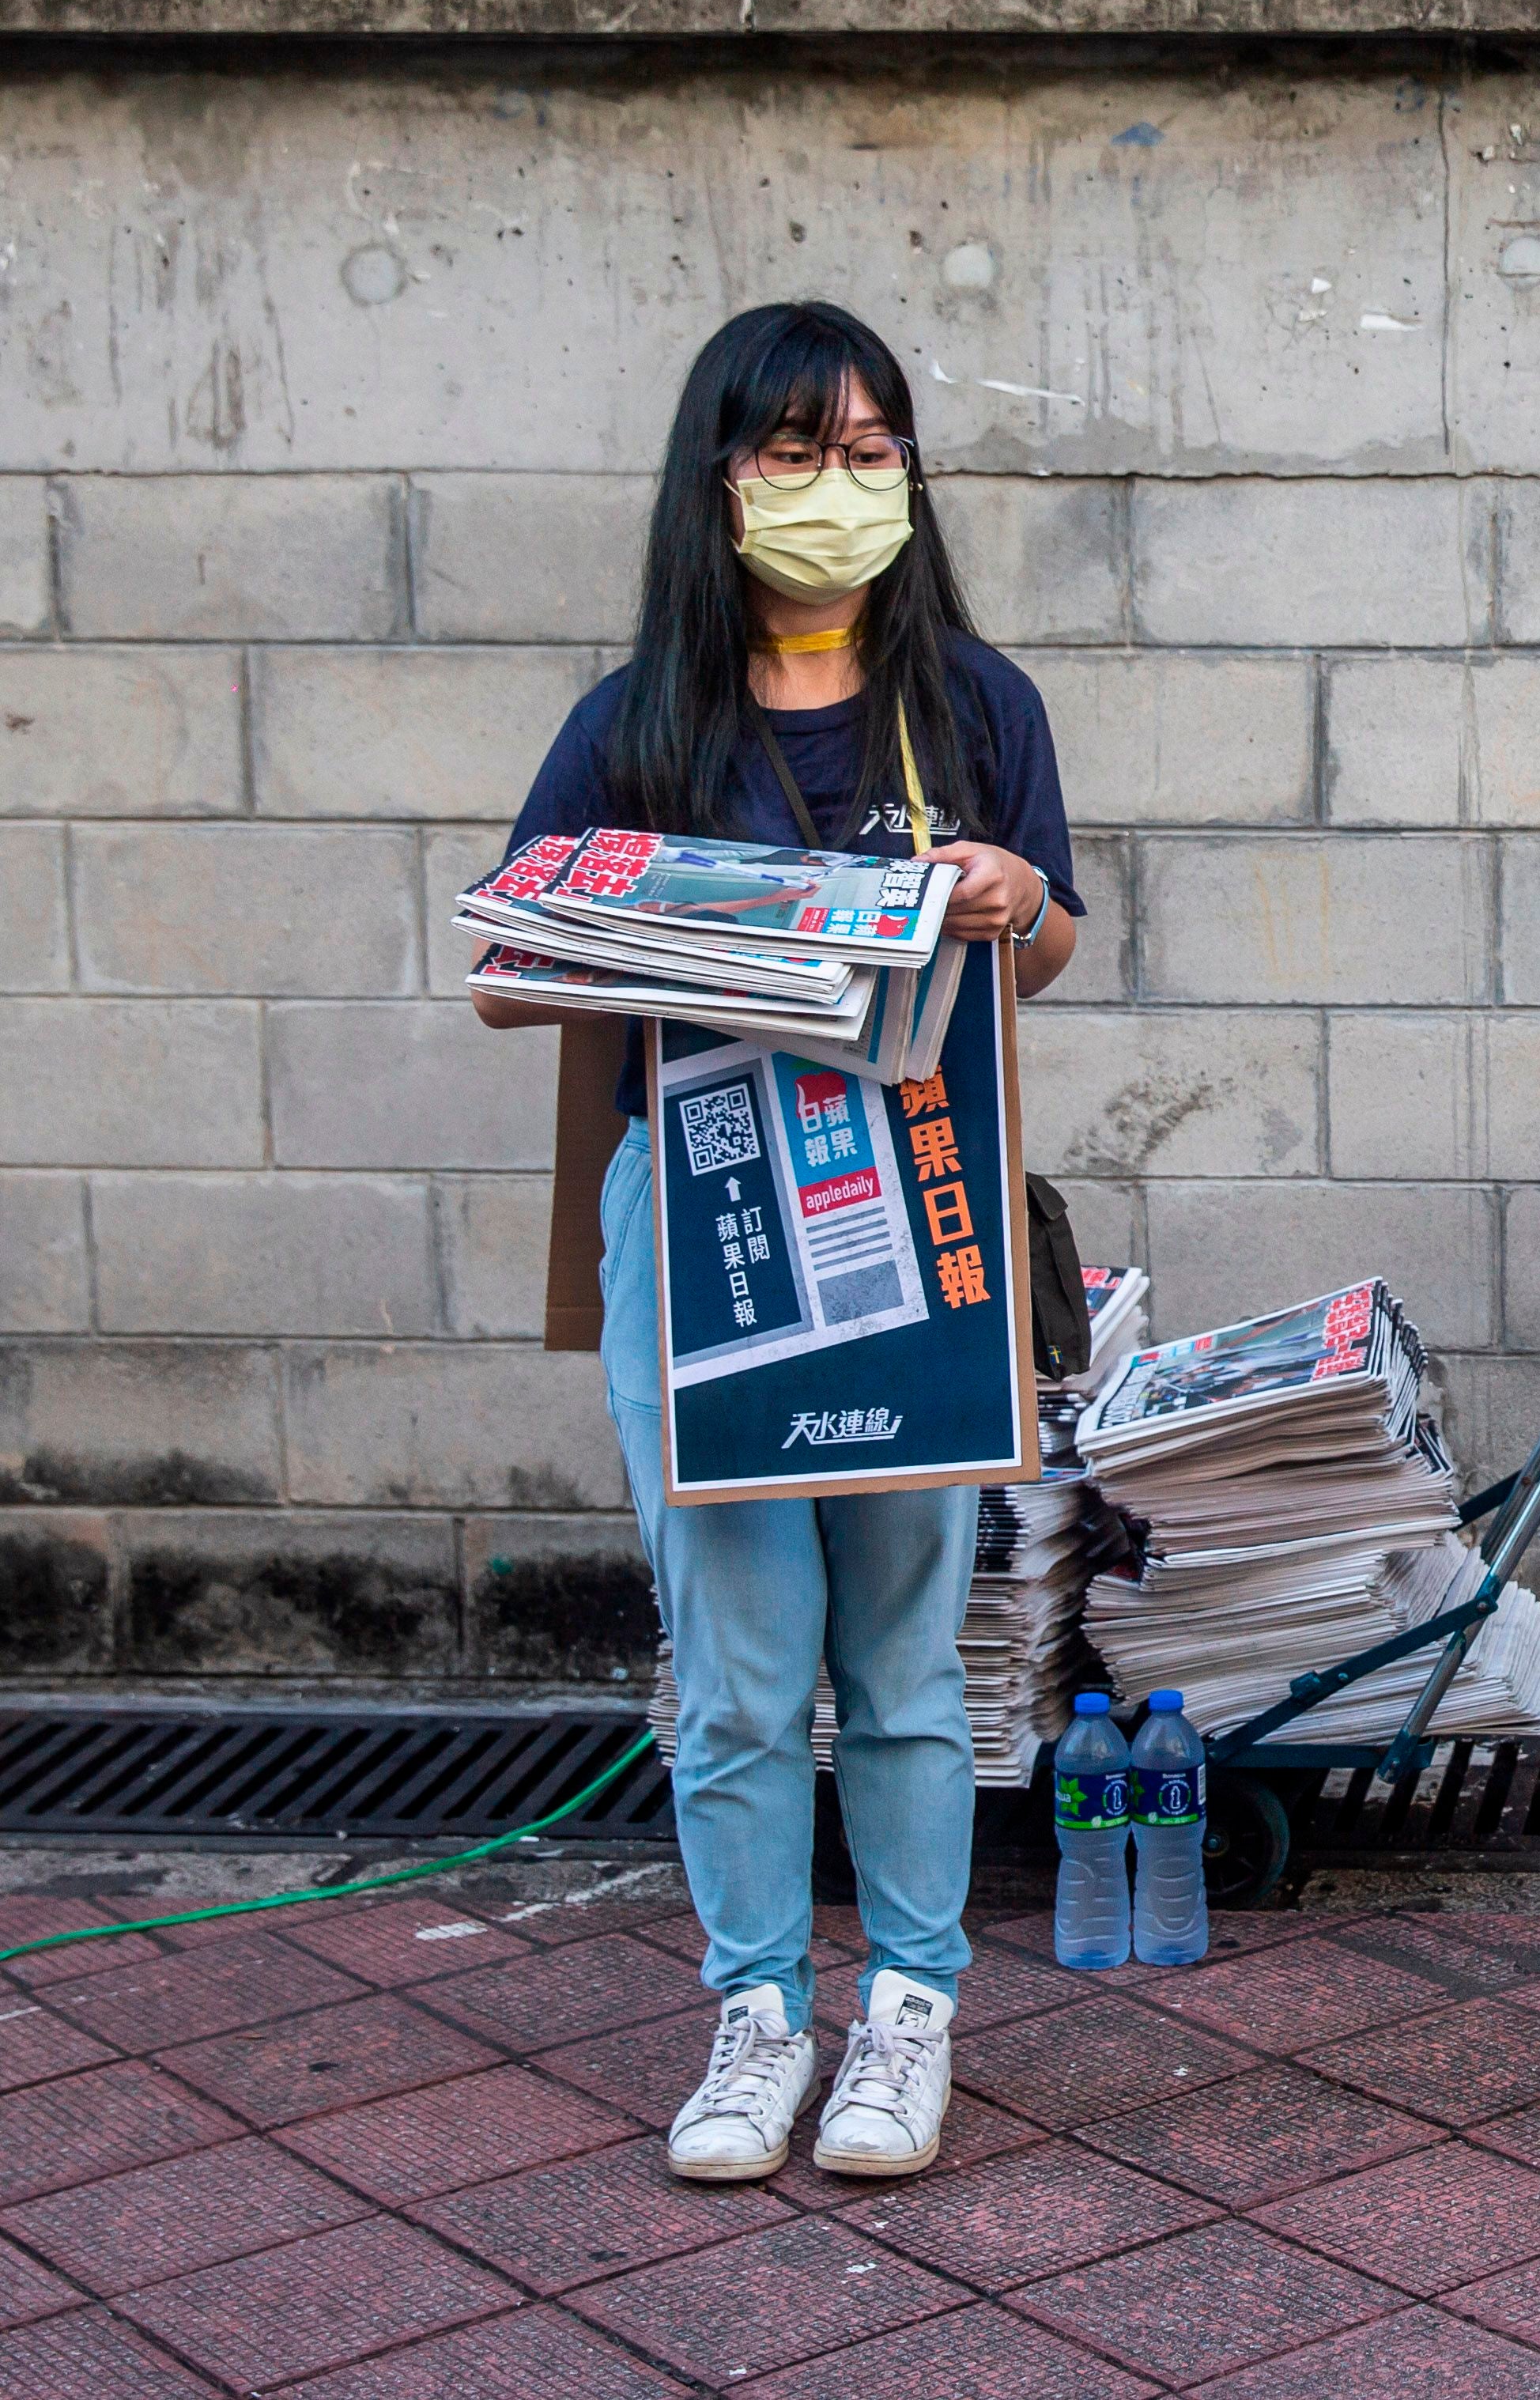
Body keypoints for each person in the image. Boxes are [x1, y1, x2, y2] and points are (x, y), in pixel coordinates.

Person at [475, 302, 1083, 2184]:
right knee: (737, 1659)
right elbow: (509, 976)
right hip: (715, 1212)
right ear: (719, 479)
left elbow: (1055, 944)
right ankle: (756, 2013)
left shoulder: (977, 706)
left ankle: (910, 2008)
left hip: (915, 1199)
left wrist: (1014, 895)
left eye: (875, 447)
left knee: (908, 1650)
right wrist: (634, 927)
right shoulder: (636, 724)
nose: (842, 487)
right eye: (797, 451)